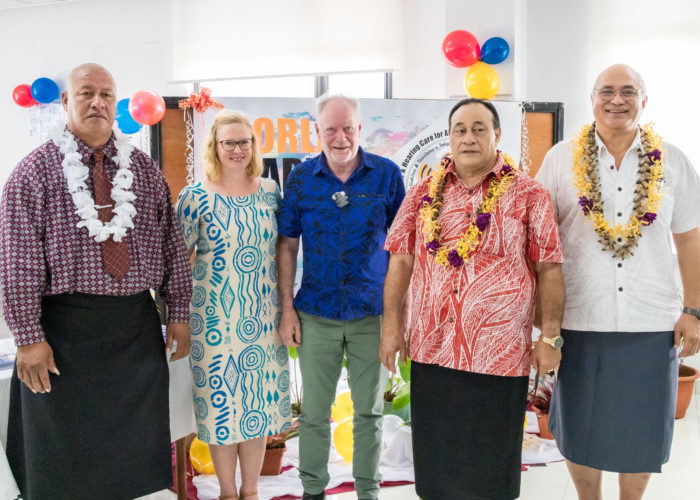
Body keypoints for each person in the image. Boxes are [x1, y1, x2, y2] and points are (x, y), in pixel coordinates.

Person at [0, 63, 192, 499]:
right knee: (63, 455)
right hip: (63, 332)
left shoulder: (143, 170)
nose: (97, 102)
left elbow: (170, 246)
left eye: (107, 94)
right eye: (86, 92)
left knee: (133, 454)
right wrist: (28, 337)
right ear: (66, 101)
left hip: (133, 328)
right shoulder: (34, 173)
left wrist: (178, 312)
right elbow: (17, 262)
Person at [380, 98, 565, 500]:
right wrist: (391, 326)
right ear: (449, 137)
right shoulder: (420, 195)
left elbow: (550, 268)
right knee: (437, 466)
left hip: (499, 355)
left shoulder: (528, 195)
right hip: (432, 350)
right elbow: (400, 263)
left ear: (497, 135)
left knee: (489, 471)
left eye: (479, 128)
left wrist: (550, 337)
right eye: (460, 129)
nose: (468, 137)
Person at [536, 64, 700, 500]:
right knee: (579, 425)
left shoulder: (673, 160)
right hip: (580, 318)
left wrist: (693, 310)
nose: (617, 99)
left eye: (628, 91)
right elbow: (538, 242)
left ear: (643, 102)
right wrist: (544, 327)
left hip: (650, 321)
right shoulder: (559, 159)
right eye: (606, 91)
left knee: (642, 428)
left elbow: (689, 238)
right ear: (592, 100)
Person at [276, 94, 405, 500]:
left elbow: (403, 249)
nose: (340, 136)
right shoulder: (299, 180)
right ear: (317, 132)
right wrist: (287, 309)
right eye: (330, 128)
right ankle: (313, 492)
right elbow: (287, 246)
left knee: (369, 413)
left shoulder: (387, 175)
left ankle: (368, 492)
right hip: (316, 313)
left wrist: (397, 317)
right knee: (314, 415)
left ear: (360, 129)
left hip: (372, 315)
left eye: (347, 127)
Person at [176, 110, 291, 500]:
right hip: (212, 320)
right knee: (221, 410)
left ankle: (252, 491)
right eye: (229, 143)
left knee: (256, 409)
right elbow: (177, 262)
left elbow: (283, 252)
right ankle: (228, 493)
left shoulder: (271, 193)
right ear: (215, 146)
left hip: (262, 318)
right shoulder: (195, 198)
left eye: (245, 142)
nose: (238, 149)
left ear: (254, 147)